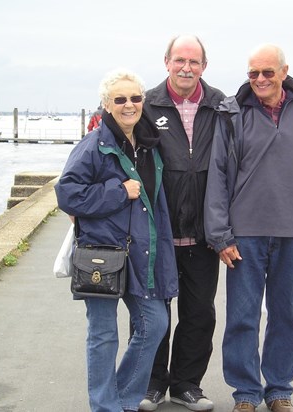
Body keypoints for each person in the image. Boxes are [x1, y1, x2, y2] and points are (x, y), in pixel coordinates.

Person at [204, 44, 293, 412]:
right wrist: (220, 236)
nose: (260, 79)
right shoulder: (232, 114)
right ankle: (246, 393)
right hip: (244, 234)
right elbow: (217, 175)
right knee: (242, 318)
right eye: (253, 74)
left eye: (267, 72)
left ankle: (279, 389)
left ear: (284, 71)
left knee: (285, 316)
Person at [55, 69, 179, 412]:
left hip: (141, 254)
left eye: (135, 98)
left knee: (155, 324)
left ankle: (122, 399)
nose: (129, 105)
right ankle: (104, 406)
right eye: (120, 99)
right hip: (102, 255)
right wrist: (117, 191)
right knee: (103, 335)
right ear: (107, 105)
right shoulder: (94, 145)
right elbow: (67, 194)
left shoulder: (150, 146)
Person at [138, 34, 226, 412]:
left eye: (194, 61)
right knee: (153, 314)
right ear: (166, 62)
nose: (186, 68)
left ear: (204, 65)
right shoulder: (145, 104)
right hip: (158, 233)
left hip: (204, 235)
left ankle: (186, 385)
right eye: (179, 60)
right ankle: (152, 384)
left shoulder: (222, 105)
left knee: (199, 313)